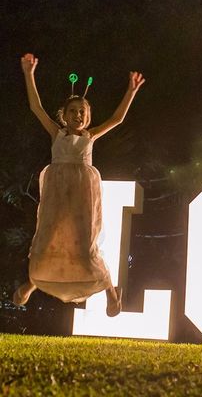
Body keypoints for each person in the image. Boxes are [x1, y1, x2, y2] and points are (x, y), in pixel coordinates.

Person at [13, 53, 145, 317]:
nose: (77, 115)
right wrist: (29, 74)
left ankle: (110, 289)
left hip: (82, 194)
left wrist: (130, 91)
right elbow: (36, 107)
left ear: (88, 116)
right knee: (50, 238)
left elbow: (117, 119)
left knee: (84, 244)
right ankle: (32, 284)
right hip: (58, 193)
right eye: (72, 111)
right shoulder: (57, 133)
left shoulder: (90, 136)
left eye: (82, 111)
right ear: (64, 116)